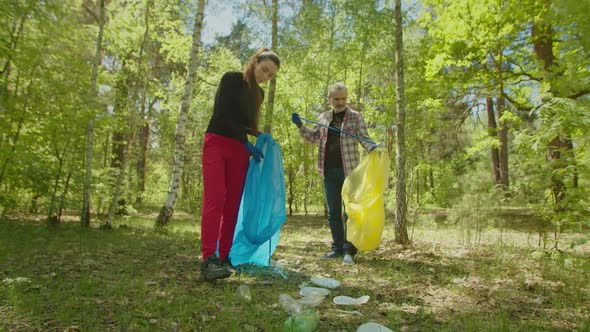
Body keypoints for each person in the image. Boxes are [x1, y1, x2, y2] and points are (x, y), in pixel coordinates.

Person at [200, 48, 280, 281]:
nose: (265, 76)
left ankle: (225, 257)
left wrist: (261, 137)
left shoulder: (260, 95)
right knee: (215, 199)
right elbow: (223, 115)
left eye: (271, 75)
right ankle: (208, 259)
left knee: (233, 204)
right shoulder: (231, 79)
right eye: (264, 69)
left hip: (239, 150)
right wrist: (246, 141)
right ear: (254, 62)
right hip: (216, 141)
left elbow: (246, 124)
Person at [291, 82, 377, 265]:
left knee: (351, 212)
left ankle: (349, 251)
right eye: (336, 99)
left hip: (351, 172)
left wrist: (376, 150)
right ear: (329, 99)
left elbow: (365, 139)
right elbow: (313, 137)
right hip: (328, 171)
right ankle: (337, 249)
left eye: (343, 98)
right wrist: (300, 126)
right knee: (333, 212)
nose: (340, 102)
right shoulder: (323, 117)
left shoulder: (355, 117)